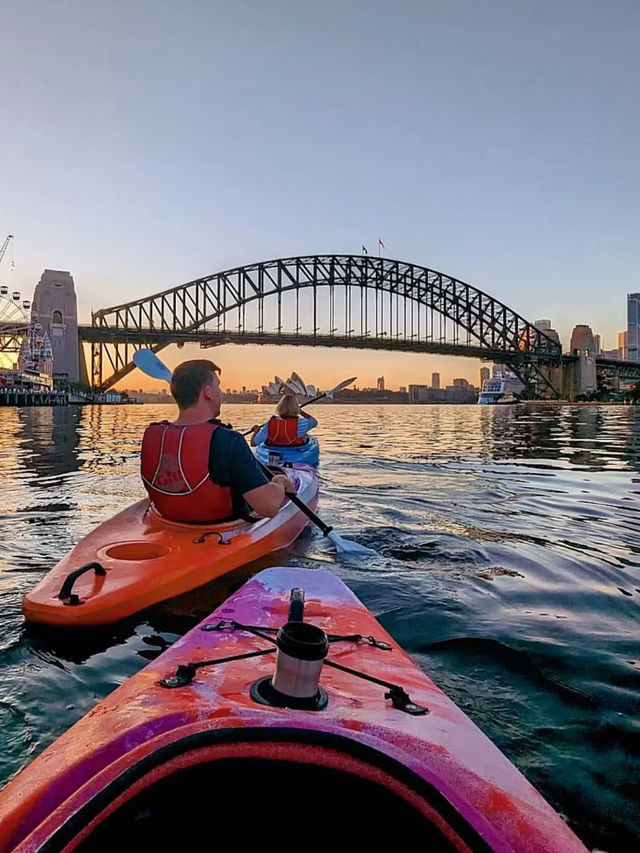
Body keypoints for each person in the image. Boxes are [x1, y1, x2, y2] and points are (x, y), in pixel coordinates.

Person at [141, 359, 295, 523]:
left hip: (168, 520)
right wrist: (279, 482)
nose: (220, 392)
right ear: (208, 392)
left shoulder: (152, 433)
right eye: (218, 386)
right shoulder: (229, 441)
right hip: (219, 529)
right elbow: (268, 507)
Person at [250, 394, 318, 448]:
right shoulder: (301, 423)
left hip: (274, 452)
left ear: (280, 407)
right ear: (296, 408)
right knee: (305, 436)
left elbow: (253, 443)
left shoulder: (270, 424)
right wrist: (300, 411)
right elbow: (314, 422)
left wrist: (256, 431)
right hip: (295, 452)